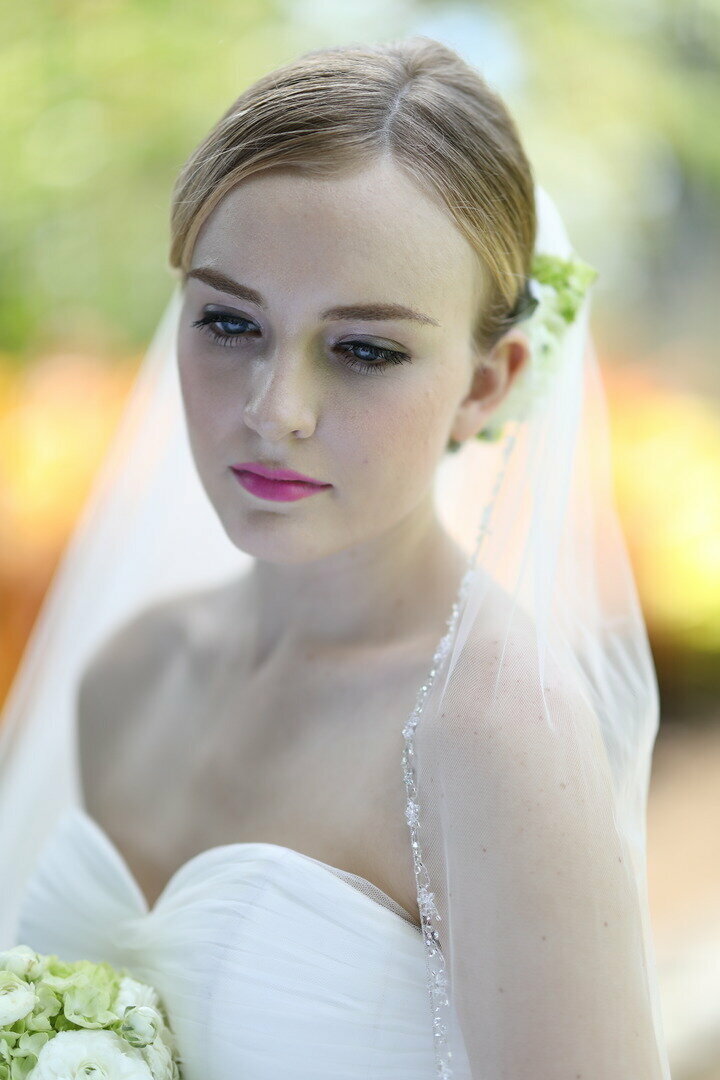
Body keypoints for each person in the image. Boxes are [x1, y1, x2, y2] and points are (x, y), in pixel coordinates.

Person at [0, 37, 672, 1079]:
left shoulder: (496, 733)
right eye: (230, 323)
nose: (275, 411)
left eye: (364, 349)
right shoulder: (126, 675)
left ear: (487, 384)